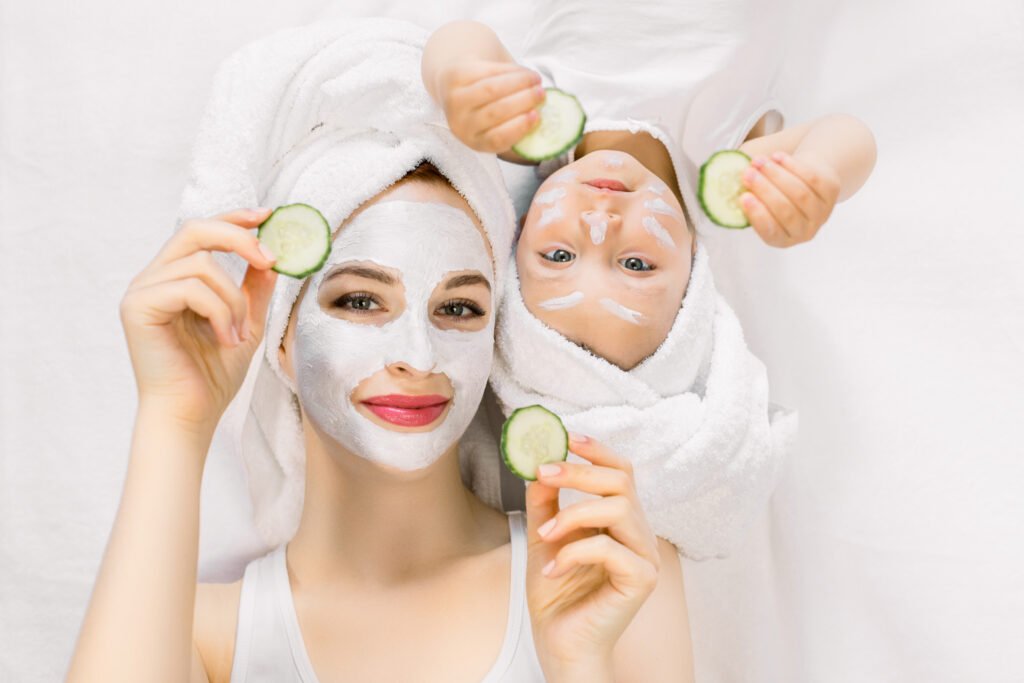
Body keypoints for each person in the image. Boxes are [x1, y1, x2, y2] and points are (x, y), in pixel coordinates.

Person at [66, 19, 693, 682]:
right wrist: (175, 419)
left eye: (459, 308)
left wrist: (579, 664)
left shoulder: (609, 574)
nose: (417, 356)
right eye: (360, 300)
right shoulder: (201, 634)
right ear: (279, 335)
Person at [420, 14, 877, 558]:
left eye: (560, 254)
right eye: (635, 264)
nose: (601, 224)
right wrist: (815, 178)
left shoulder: (533, 134)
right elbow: (851, 135)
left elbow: (459, 36)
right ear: (691, 277)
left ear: (518, 241)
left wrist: (460, 80)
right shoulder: (721, 178)